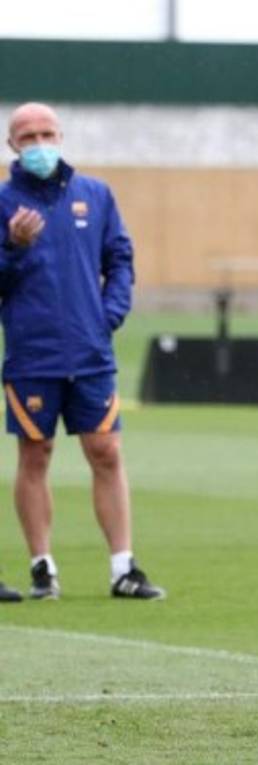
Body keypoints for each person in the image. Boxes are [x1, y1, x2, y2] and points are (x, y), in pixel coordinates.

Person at [0, 103, 164, 601]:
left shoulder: (94, 195)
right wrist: (13, 246)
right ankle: (42, 567)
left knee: (106, 451)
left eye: (47, 133)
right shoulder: (5, 203)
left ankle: (123, 567)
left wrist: (108, 315)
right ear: (12, 146)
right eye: (28, 137)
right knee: (36, 454)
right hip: (31, 353)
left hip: (90, 351)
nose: (39, 144)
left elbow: (120, 259)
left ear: (61, 135)